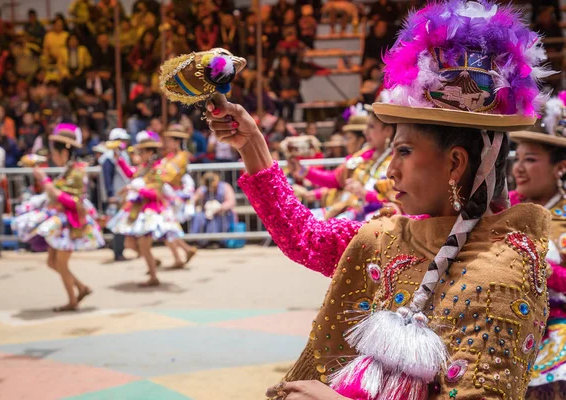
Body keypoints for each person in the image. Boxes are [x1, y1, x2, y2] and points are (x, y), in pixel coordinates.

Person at [203, 1, 553, 398]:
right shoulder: (386, 238)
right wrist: (252, 145)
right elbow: (305, 237)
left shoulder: (503, 270)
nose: (390, 171)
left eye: (404, 152)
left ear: (455, 163)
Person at [508, 96, 566, 398]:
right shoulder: (503, 209)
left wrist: (544, 270)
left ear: (560, 168)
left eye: (530, 160)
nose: (518, 168)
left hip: (556, 322)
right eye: (516, 158)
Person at [11, 124, 104, 312]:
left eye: (55, 152)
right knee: (52, 262)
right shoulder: (69, 169)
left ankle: (72, 300)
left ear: (64, 152)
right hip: (61, 222)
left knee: (60, 263)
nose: (52, 156)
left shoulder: (77, 171)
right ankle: (81, 287)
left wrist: (44, 181)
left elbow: (68, 200)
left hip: (69, 223)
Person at [107, 131, 184, 286]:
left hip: (151, 210)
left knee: (143, 244)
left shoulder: (158, 169)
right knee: (132, 243)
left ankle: (154, 276)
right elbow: (131, 174)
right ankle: (153, 265)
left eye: (141, 152)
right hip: (140, 209)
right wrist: (119, 160)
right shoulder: (145, 167)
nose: (139, 154)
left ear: (150, 152)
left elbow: (155, 193)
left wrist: (135, 190)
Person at [160, 124, 197, 268]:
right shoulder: (170, 156)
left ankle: (181, 255)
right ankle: (185, 252)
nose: (166, 143)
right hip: (168, 194)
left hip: (175, 196)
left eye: (169, 140)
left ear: (176, 142)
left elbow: (169, 175)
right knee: (168, 227)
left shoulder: (181, 157)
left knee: (167, 227)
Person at [100, 128, 132, 262]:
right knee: (118, 225)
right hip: (116, 197)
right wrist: (111, 195)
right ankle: (118, 253)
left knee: (120, 224)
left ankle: (117, 248)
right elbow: (108, 179)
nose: (124, 143)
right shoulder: (108, 157)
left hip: (123, 195)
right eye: (121, 140)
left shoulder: (121, 155)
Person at [190, 172, 236, 248]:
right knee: (198, 216)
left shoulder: (225, 187)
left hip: (222, 213)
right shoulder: (202, 189)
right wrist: (198, 199)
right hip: (206, 213)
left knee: (215, 219)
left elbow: (231, 202)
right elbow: (193, 200)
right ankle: (199, 241)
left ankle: (215, 241)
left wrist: (219, 208)